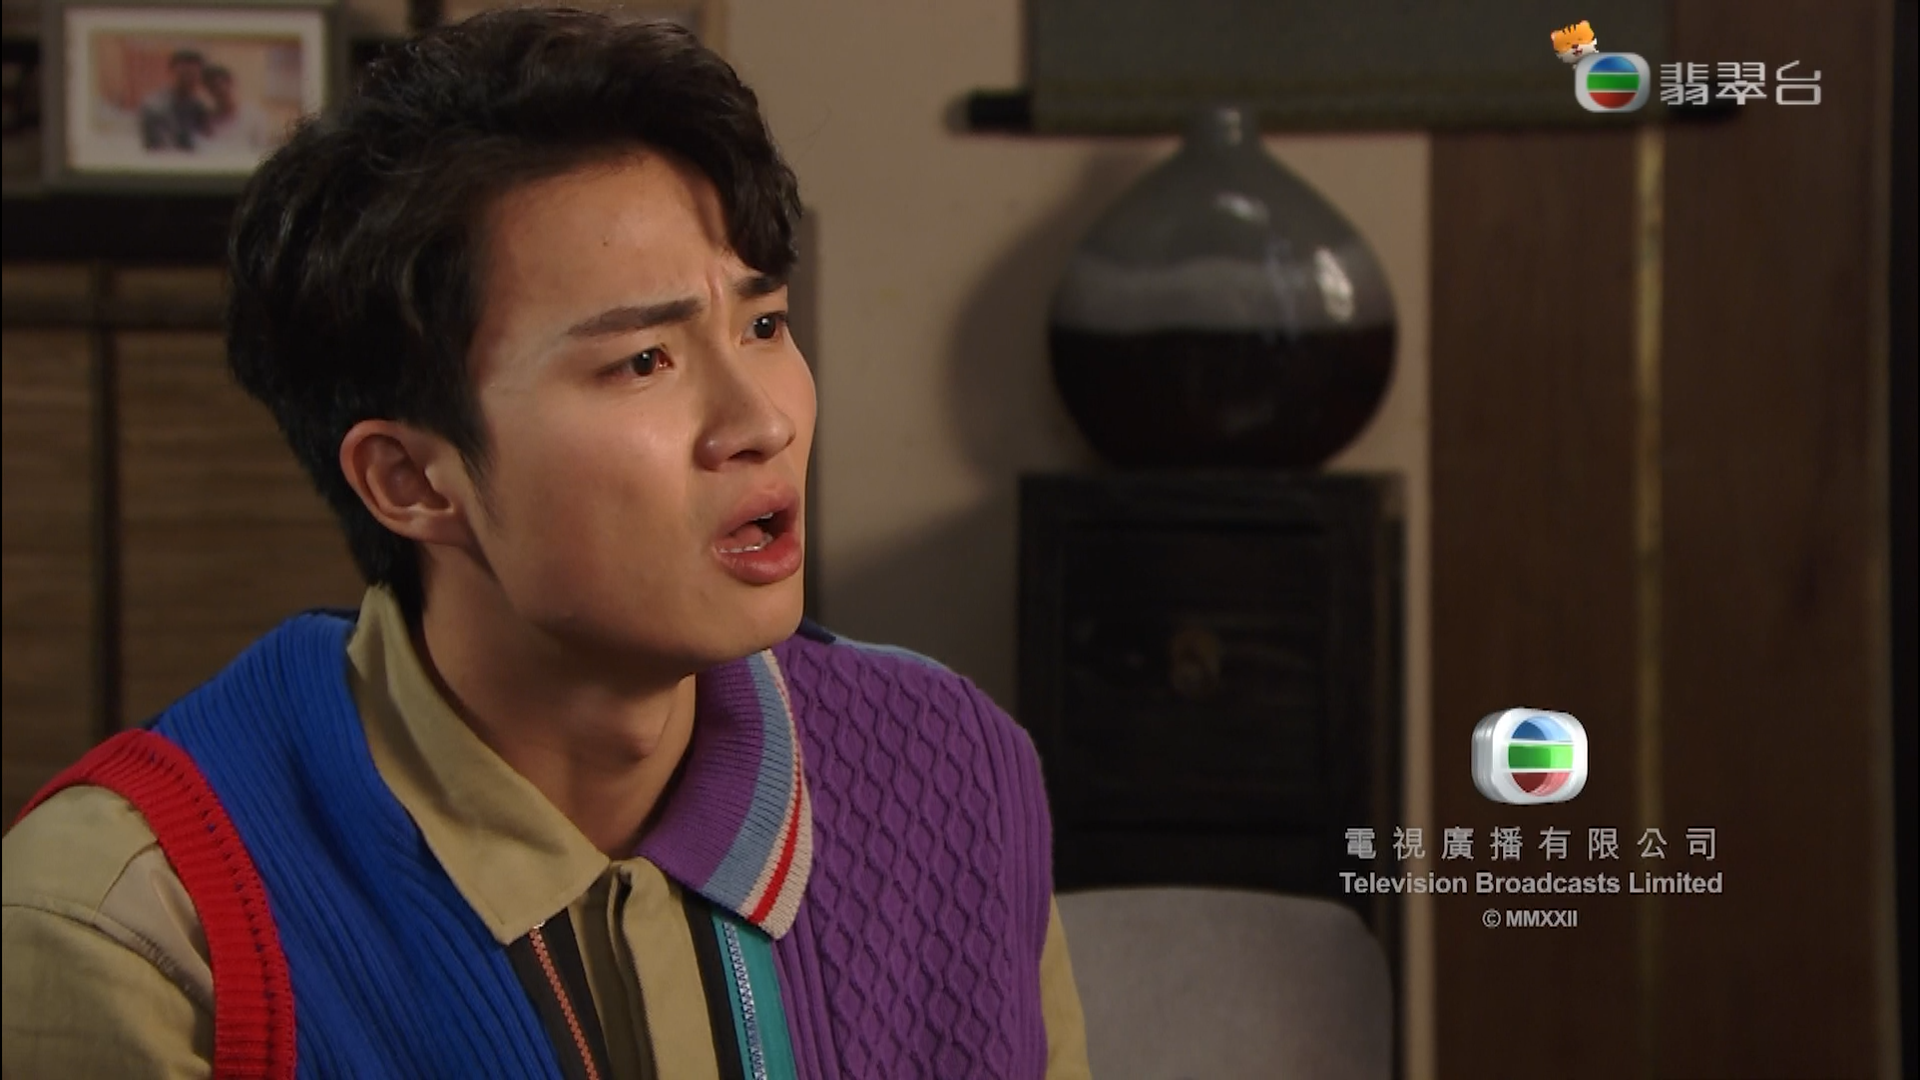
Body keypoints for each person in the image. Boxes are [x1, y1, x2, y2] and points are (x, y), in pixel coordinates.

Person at [1, 8, 1090, 1079]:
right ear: (410, 480)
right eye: (643, 362)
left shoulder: (953, 773)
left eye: (763, 325)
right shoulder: (135, 922)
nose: (762, 422)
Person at [137, 48, 209, 151]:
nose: (189, 80)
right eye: (185, 74)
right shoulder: (154, 106)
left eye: (194, 75)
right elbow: (160, 146)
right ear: (172, 71)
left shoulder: (199, 107)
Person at [198, 65, 277, 155]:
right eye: (212, 88)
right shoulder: (208, 121)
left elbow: (260, 151)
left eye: (220, 87)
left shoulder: (254, 117)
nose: (218, 92)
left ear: (231, 83)